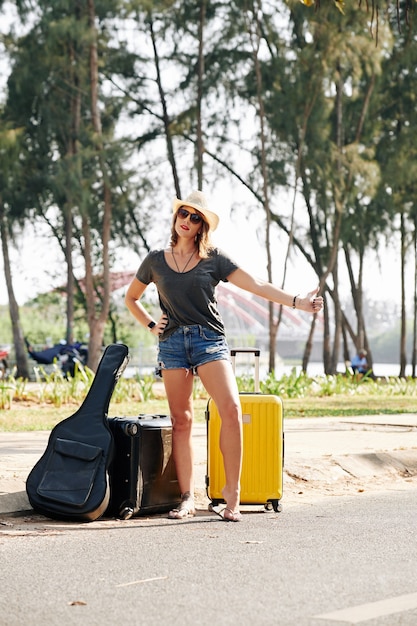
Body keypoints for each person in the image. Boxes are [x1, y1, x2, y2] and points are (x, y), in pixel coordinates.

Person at [125, 190, 323, 522]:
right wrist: (150, 323)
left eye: (195, 217)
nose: (187, 220)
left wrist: (297, 302)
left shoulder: (214, 259)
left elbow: (256, 285)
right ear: (176, 218)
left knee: (230, 409)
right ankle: (187, 497)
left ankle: (232, 494)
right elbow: (131, 298)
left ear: (203, 225)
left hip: (208, 342)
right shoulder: (155, 259)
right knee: (182, 421)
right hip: (172, 344)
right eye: (183, 214)